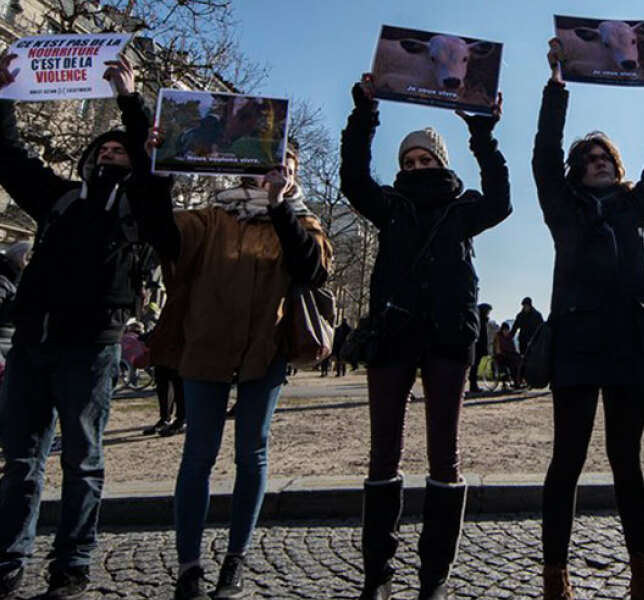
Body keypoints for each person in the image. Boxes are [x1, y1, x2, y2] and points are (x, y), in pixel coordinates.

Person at [340, 72, 510, 600]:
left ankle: (434, 576)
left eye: (426, 160)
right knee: (382, 454)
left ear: (442, 163)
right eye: (409, 161)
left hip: (448, 335)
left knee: (445, 456)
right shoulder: (389, 206)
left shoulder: (465, 209)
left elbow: (502, 199)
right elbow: (352, 179)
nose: (416, 167)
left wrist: (483, 136)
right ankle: (378, 575)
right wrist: (365, 116)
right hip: (392, 332)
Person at [140, 135, 332, 599]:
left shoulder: (304, 220)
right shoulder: (211, 217)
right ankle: (189, 566)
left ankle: (235, 559)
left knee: (252, 454)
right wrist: (159, 173)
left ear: (294, 174)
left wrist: (280, 205)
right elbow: (162, 234)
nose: (274, 171)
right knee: (198, 457)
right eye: (267, 163)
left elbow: (311, 269)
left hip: (265, 353)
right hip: (204, 349)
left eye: (284, 164)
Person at [0, 53, 156, 599]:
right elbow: (10, 157)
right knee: (19, 460)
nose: (110, 154)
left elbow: (154, 163)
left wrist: (129, 99)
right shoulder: (61, 197)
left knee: (81, 459)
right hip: (31, 342)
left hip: (90, 348)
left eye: (120, 150)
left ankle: (72, 561)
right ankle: (10, 558)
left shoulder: (138, 207)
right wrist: (5, 97)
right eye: (103, 149)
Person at [534, 37, 644, 600]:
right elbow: (544, 153)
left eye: (606, 159)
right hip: (575, 339)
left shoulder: (633, 206)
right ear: (577, 171)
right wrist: (555, 85)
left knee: (628, 461)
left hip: (628, 340)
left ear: (616, 169)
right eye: (589, 159)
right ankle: (555, 579)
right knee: (566, 459)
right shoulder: (561, 207)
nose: (597, 163)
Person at [469, 303, 494, 394]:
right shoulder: (481, 321)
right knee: (474, 366)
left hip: (479, 346)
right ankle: (473, 385)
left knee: (475, 366)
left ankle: (473, 385)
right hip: (478, 347)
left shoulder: (481, 321)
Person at [492, 322, 521, 388]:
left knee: (518, 361)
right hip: (501, 356)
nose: (506, 332)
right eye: (505, 330)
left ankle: (519, 380)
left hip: (509, 355)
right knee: (512, 363)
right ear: (502, 330)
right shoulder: (498, 337)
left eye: (507, 330)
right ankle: (516, 382)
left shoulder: (510, 338)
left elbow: (513, 348)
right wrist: (501, 354)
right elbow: (497, 349)